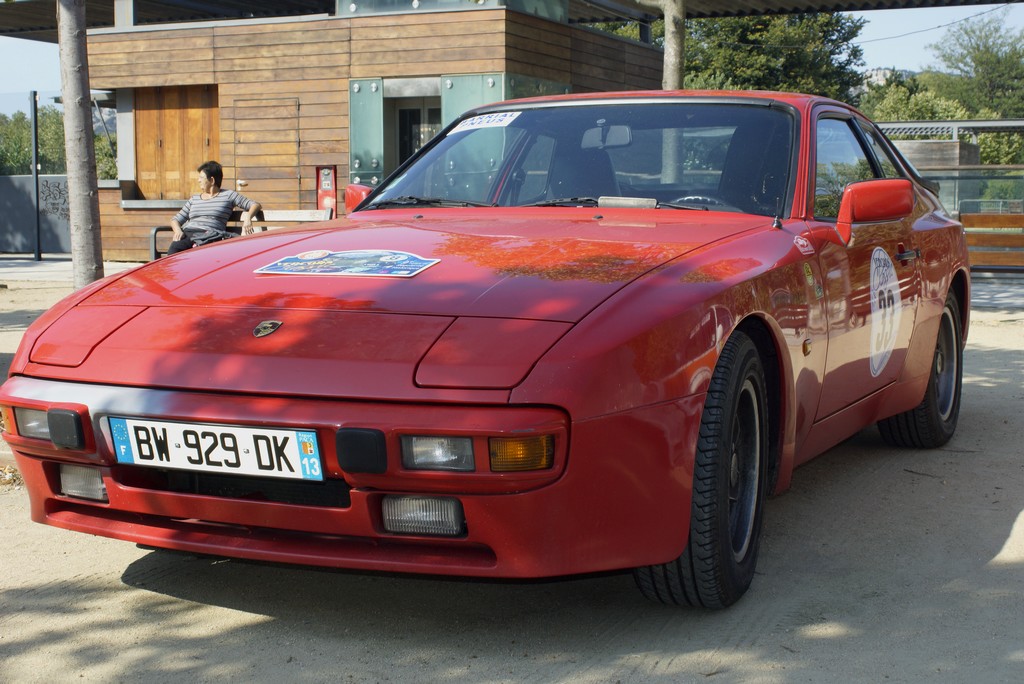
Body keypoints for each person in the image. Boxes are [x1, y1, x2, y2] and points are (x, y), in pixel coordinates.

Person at [166, 161, 262, 255]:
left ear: (212, 180)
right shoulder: (194, 199)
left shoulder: (228, 195)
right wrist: (178, 230)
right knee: (173, 252)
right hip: (188, 234)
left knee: (200, 255)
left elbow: (255, 204)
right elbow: (175, 220)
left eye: (201, 177)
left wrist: (248, 218)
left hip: (210, 236)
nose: (198, 180)